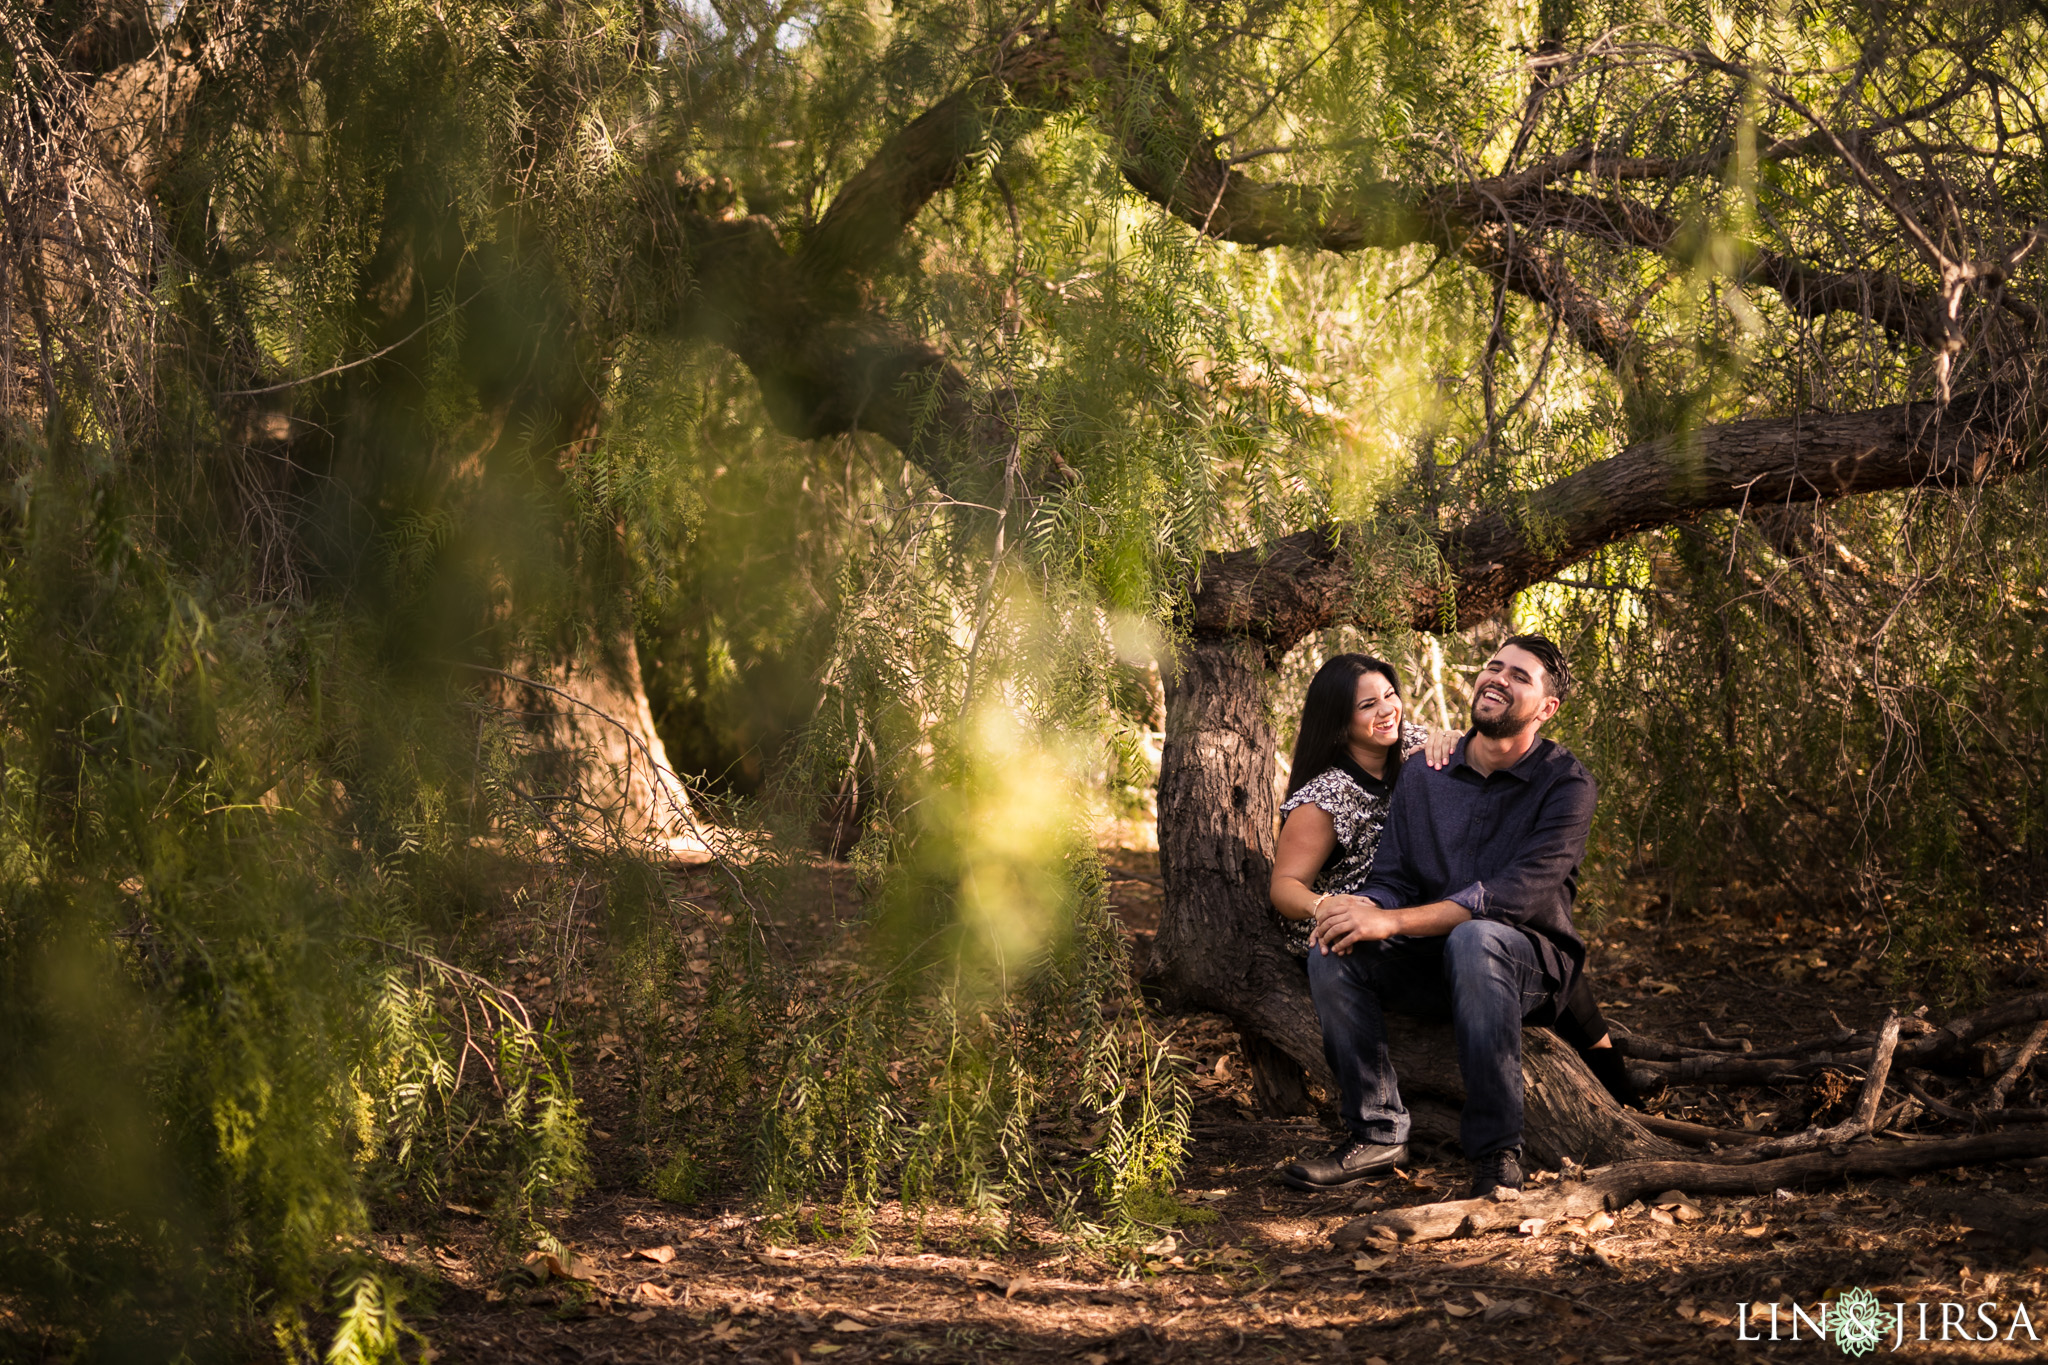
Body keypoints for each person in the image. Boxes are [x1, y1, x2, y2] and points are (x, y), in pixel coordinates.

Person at [1278, 634, 1616, 1200]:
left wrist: (1394, 922)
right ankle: (1377, 1132)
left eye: (1520, 676)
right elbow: (1394, 875)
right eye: (1494, 666)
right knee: (1334, 947)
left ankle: (1495, 1155)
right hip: (1436, 961)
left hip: (1528, 965)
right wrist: (1366, 910)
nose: (1498, 679)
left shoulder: (1567, 784)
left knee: (1477, 936)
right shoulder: (1424, 772)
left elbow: (1514, 897)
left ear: (1547, 708)